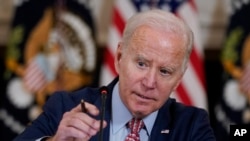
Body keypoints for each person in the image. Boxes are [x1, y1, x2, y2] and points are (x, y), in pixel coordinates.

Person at [14, 9, 216, 141]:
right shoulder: (66, 107)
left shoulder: (191, 125)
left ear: (179, 78)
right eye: (141, 64)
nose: (149, 82)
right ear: (119, 57)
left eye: (165, 71)